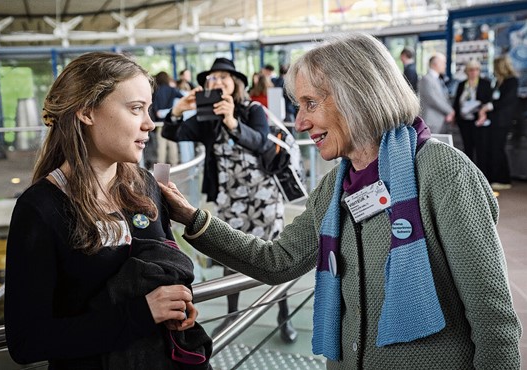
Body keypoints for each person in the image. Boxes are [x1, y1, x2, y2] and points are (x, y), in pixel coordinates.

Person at [159, 33, 522, 369]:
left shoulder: (443, 172)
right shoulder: (337, 186)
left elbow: (494, 325)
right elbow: (278, 261)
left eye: (310, 103)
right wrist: (192, 218)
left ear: (358, 96)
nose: (299, 123)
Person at [4, 51, 212, 369]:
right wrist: (142, 313)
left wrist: (177, 307)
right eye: (136, 109)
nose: (150, 123)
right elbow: (26, 341)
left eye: (149, 109)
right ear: (87, 112)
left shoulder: (145, 185)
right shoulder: (40, 209)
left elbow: (164, 268)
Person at [161, 57, 298, 343]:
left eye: (224, 77)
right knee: (229, 254)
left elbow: (261, 141)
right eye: (212, 78)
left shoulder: (253, 110)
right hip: (229, 199)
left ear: (235, 83)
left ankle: (283, 317)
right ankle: (231, 315)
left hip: (263, 199)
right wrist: (177, 110)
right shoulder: (206, 120)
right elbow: (172, 133)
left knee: (277, 255)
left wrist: (232, 121)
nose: (217, 82)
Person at [477, 54, 520, 190]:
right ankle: (494, 177)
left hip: (503, 122)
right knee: (493, 148)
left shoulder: (512, 81)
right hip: (494, 121)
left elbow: (505, 101)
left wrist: (489, 106)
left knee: (498, 149)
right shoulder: (498, 82)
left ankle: (503, 179)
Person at [452, 59, 492, 165]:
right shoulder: (462, 85)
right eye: (471, 70)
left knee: (481, 150)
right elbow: (456, 102)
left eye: (476, 69)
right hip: (464, 121)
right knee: (467, 148)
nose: (474, 72)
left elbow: (489, 101)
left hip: (478, 121)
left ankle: (483, 176)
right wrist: (455, 117)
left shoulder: (485, 84)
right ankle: (469, 175)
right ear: (467, 71)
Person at [418, 52, 455, 134]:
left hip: (440, 121)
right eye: (443, 63)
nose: (445, 66)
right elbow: (433, 99)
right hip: (432, 121)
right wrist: (450, 111)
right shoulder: (426, 79)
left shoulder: (438, 79)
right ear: (435, 64)